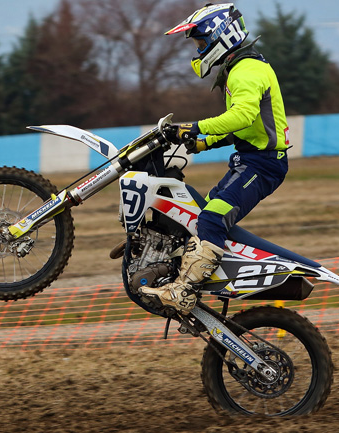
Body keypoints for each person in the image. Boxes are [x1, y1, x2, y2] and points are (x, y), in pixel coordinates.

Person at [140, 3, 290, 314]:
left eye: (200, 43)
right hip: (248, 161)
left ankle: (184, 291)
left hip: (263, 166)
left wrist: (193, 128)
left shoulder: (247, 71)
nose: (198, 51)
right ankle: (160, 257)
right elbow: (247, 126)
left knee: (211, 219)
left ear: (221, 36)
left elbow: (242, 116)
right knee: (196, 215)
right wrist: (202, 143)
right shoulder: (241, 68)